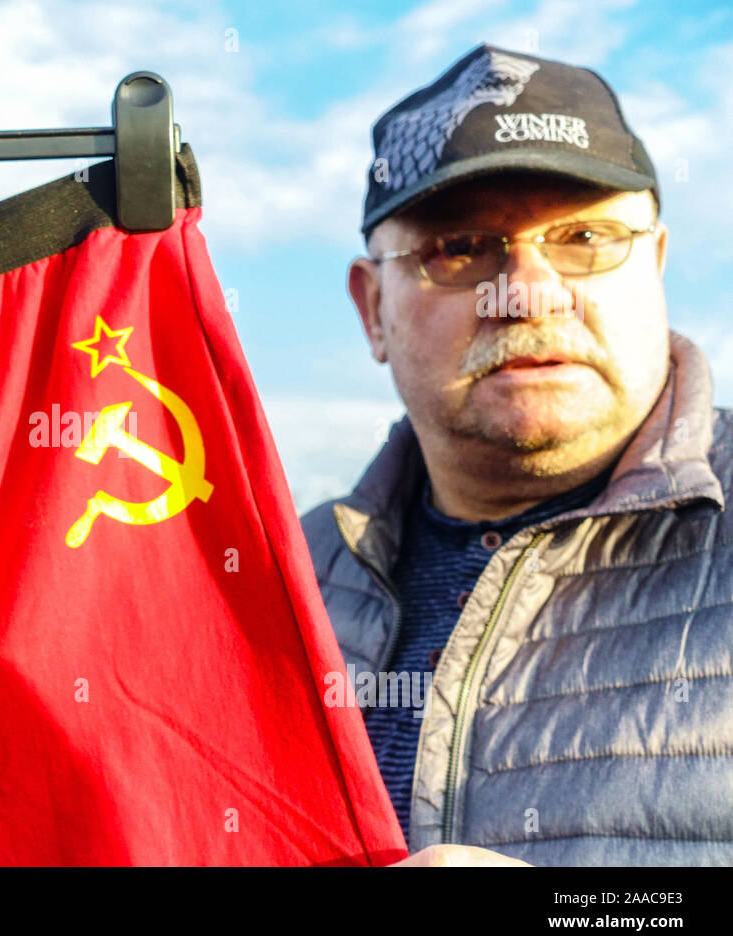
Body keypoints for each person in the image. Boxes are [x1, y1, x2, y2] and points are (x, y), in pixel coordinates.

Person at [301, 43, 733, 865]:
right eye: (459, 247)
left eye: (587, 236)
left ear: (658, 266)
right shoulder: (275, 586)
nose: (527, 291)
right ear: (373, 313)